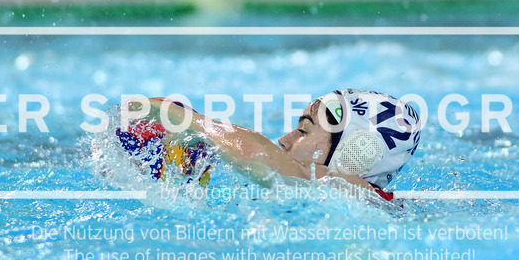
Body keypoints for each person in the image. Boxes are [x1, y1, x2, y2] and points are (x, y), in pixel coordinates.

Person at [126, 89, 420, 200]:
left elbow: (257, 156)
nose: (284, 140)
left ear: (355, 154)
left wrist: (191, 121)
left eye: (303, 130)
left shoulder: (344, 186)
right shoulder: (370, 203)